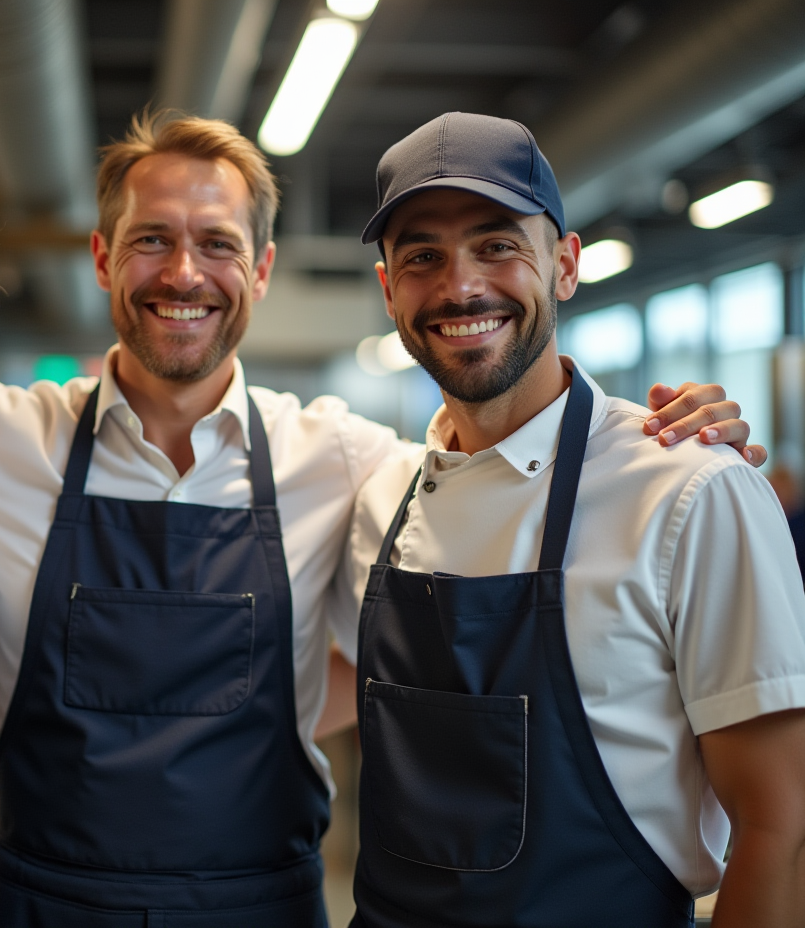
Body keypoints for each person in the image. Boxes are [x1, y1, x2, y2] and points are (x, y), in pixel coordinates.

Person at [0, 113, 762, 926]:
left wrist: (666, 436)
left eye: (214, 244)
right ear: (101, 257)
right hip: (43, 901)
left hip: (264, 903)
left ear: (258, 270)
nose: (179, 271)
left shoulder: (351, 464)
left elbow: (477, 524)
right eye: (149, 239)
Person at [344, 112, 805, 928]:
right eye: (422, 256)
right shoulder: (380, 496)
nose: (460, 287)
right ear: (388, 290)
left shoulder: (690, 489)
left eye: (497, 244)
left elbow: (782, 827)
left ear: (564, 265)